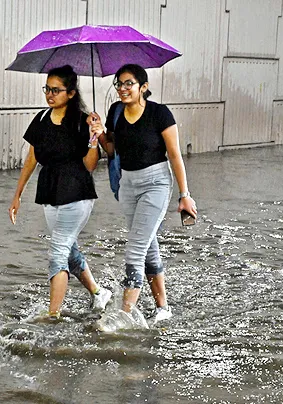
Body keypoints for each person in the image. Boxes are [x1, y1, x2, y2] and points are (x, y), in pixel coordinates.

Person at [88, 64, 198, 325]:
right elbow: (113, 150)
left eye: (129, 84)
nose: (122, 89)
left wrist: (184, 194)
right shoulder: (115, 112)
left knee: (134, 250)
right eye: (119, 83)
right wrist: (99, 132)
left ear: (143, 87)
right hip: (128, 185)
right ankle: (163, 307)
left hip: (156, 184)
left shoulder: (160, 114)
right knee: (148, 247)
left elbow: (174, 155)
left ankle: (123, 316)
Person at [8, 65, 112, 319]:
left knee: (57, 251)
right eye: (47, 89)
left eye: (56, 90)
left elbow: (89, 166)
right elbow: (32, 158)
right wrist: (17, 194)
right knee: (69, 249)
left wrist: (94, 137)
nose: (50, 94)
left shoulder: (82, 121)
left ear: (72, 93)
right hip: (50, 191)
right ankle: (99, 293)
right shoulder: (42, 119)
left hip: (76, 192)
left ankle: (52, 315)